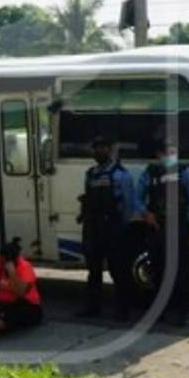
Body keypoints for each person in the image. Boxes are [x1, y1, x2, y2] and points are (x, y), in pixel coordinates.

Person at [138, 142, 189, 326]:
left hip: (179, 227)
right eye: (166, 152)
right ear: (158, 154)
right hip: (157, 227)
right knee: (157, 271)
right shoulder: (149, 174)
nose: (169, 156)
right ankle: (159, 313)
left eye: (173, 152)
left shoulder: (186, 174)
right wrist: (145, 213)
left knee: (182, 272)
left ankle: (185, 313)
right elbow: (136, 198)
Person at [77, 135, 139, 321]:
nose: (99, 151)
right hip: (93, 227)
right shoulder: (91, 173)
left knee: (118, 271)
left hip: (113, 228)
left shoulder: (120, 174)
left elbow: (128, 205)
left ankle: (123, 310)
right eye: (96, 148)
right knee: (93, 271)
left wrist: (120, 225)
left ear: (110, 150)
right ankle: (93, 307)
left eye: (103, 148)